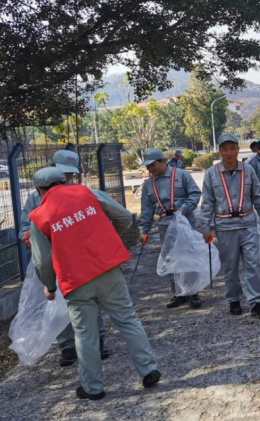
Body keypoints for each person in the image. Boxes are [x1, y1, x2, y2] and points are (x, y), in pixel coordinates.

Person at [28, 168, 161, 400]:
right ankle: (148, 369)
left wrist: (49, 287)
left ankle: (93, 388)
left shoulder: (39, 216)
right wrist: (109, 239)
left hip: (76, 280)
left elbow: (43, 261)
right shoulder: (89, 194)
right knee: (127, 318)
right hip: (107, 268)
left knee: (84, 333)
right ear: (64, 181)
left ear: (39, 191)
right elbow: (124, 216)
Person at [19, 150, 108, 367]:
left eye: (70, 174)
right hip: (54, 258)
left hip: (81, 256)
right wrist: (28, 236)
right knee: (60, 303)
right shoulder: (35, 197)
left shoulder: (80, 192)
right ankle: (67, 346)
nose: (67, 177)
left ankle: (98, 341)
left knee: (89, 299)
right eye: (64, 172)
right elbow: (25, 225)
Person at [199, 134, 260, 319]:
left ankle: (256, 302)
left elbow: (258, 196)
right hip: (225, 226)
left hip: (248, 223)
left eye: (232, 148)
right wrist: (205, 227)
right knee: (230, 266)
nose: (229, 153)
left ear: (237, 149)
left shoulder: (248, 170)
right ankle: (234, 299)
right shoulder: (212, 173)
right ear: (220, 151)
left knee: (252, 264)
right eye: (225, 149)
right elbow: (207, 203)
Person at [138, 148, 203, 309]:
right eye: (147, 167)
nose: (150, 169)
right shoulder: (148, 184)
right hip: (165, 224)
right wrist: (143, 230)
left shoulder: (182, 175)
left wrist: (184, 209)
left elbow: (195, 194)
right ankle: (179, 293)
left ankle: (193, 292)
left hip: (184, 221)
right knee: (170, 258)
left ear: (163, 161)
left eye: (152, 165)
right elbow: (146, 209)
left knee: (188, 255)